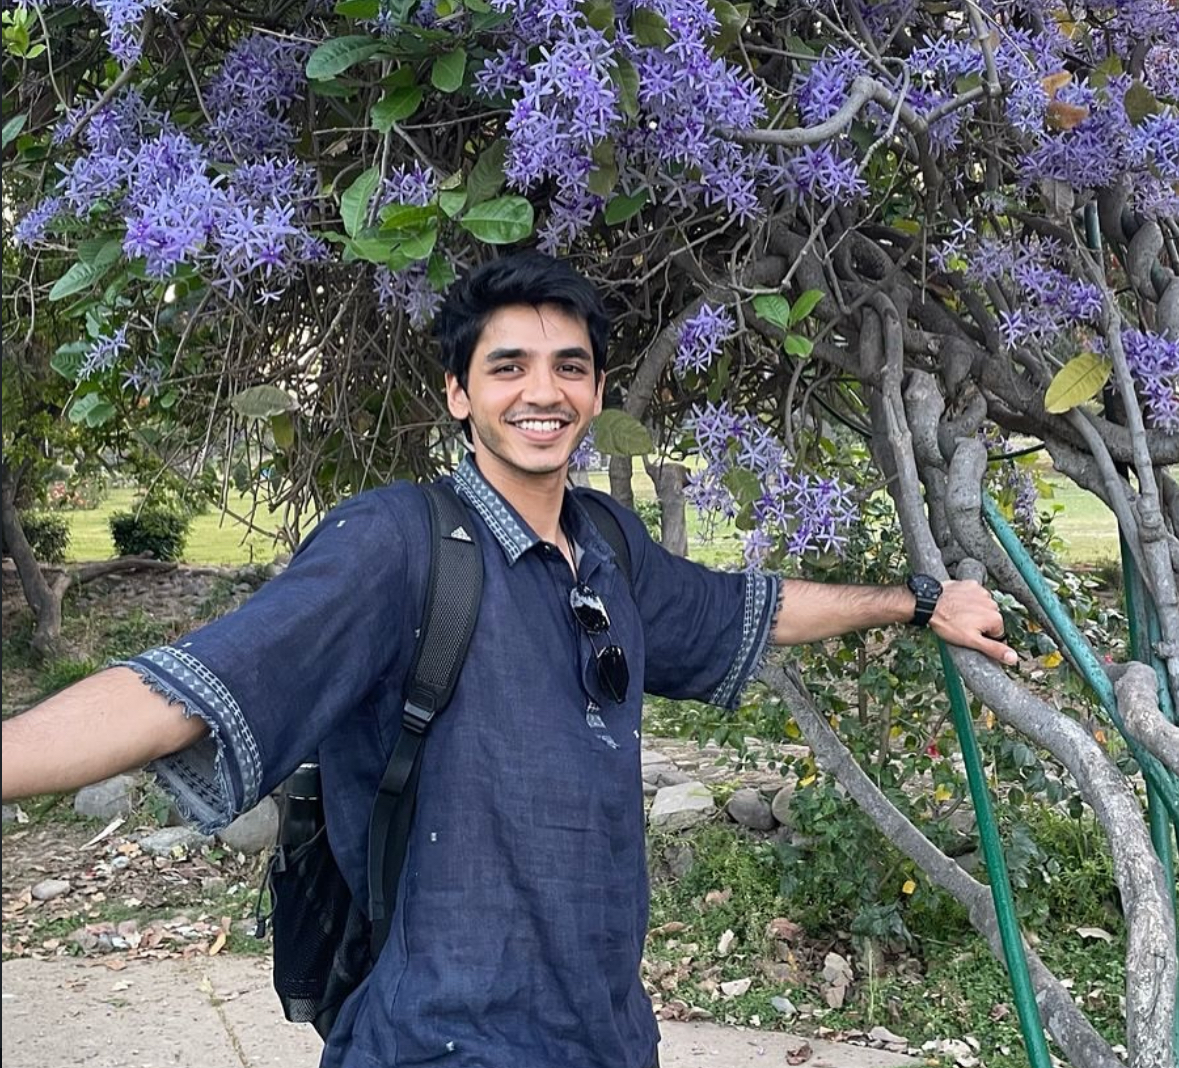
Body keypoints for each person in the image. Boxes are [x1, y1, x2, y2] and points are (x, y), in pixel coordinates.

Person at [2, 253, 1017, 1068]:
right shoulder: (394, 545)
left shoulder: (608, 544)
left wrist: (917, 601)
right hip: (437, 1037)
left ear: (597, 388)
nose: (543, 391)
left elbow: (741, 607)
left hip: (607, 1037)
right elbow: (189, 689)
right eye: (508, 366)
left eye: (569, 366)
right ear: (458, 392)